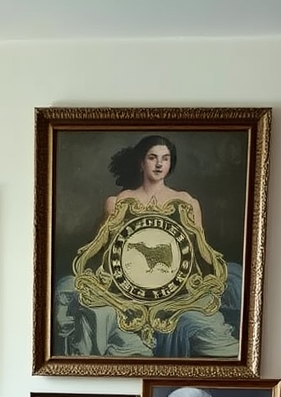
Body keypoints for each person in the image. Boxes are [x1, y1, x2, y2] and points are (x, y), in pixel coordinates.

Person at [55, 134, 242, 359]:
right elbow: (98, 248)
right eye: (153, 157)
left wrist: (208, 276)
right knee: (72, 292)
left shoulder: (186, 203)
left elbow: (200, 252)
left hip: (174, 285)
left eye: (166, 158)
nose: (160, 164)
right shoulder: (118, 203)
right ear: (141, 163)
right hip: (127, 286)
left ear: (171, 163)